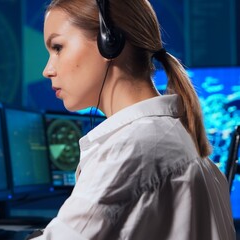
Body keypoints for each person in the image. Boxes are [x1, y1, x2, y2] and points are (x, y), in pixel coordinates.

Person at [28, 0, 236, 239]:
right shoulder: (171, 140)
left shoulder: (131, 149)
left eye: (58, 47)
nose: (47, 69)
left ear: (109, 42)